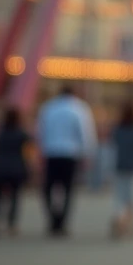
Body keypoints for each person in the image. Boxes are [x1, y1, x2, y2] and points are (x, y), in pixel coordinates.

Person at [35, 85, 96, 236]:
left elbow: (40, 131)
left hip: (51, 153)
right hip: (70, 154)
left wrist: (40, 151)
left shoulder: (48, 108)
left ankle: (53, 218)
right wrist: (87, 153)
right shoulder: (80, 108)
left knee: (48, 189)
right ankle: (62, 222)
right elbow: (85, 132)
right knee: (68, 190)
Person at [0, 108, 30, 236]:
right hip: (16, 167)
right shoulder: (21, 133)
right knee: (15, 197)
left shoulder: (0, 133)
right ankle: (12, 224)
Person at [110, 102, 133, 238]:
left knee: (120, 198)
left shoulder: (118, 130)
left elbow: (112, 146)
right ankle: (127, 224)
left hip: (119, 167)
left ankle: (119, 218)